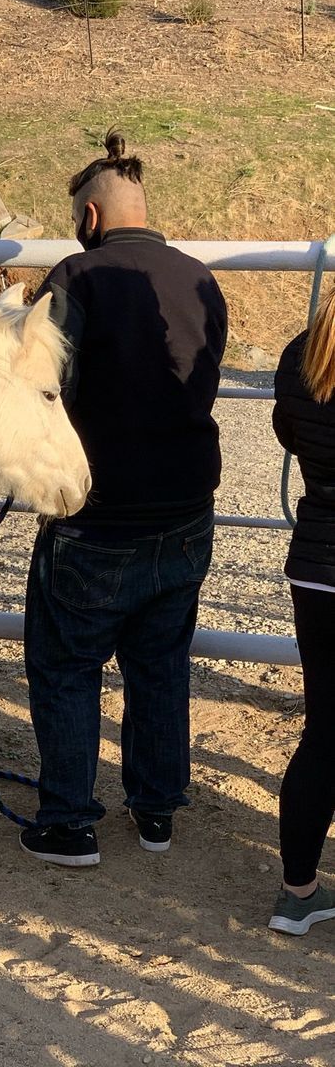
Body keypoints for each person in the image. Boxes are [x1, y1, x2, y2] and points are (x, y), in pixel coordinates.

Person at [20, 131, 227, 867]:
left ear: (91, 216)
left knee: (66, 663)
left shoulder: (75, 278)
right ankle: (156, 810)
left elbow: (36, 387)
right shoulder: (201, 278)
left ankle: (70, 820)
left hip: (97, 513)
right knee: (160, 663)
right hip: (185, 510)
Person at [267, 296, 335, 934]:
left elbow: (286, 430)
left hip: (316, 566)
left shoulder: (300, 354)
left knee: (323, 734)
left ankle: (299, 891)